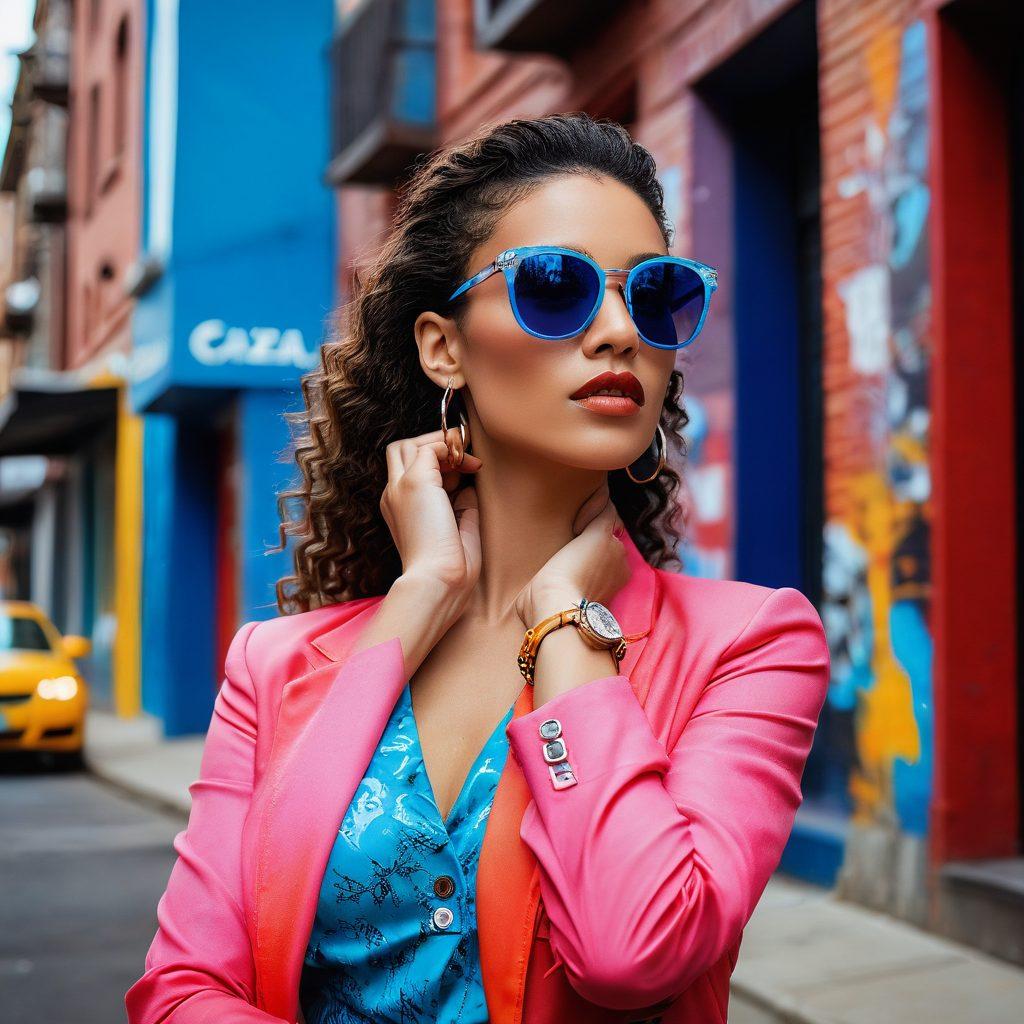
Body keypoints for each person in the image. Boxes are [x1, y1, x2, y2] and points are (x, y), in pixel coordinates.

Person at [126, 112, 830, 1024]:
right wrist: (420, 595)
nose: (619, 330)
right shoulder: (272, 666)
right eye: (554, 285)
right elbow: (181, 993)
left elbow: (633, 953)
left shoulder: (753, 644)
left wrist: (568, 622)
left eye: (653, 295)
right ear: (442, 347)